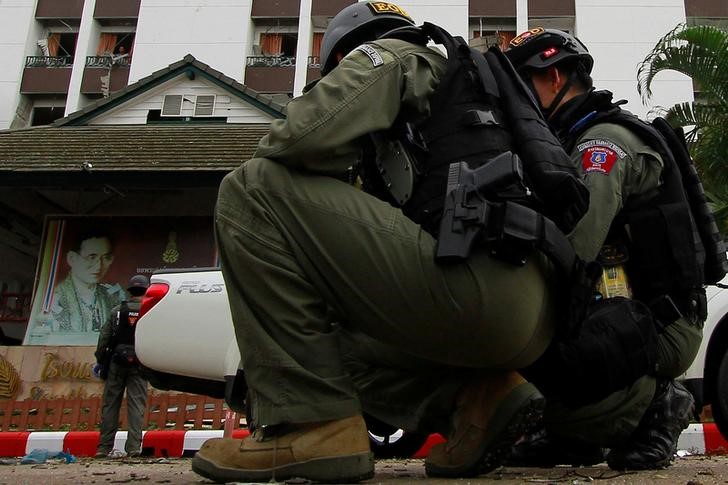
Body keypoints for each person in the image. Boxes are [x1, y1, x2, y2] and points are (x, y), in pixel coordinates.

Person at [191, 2, 594, 483]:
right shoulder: (465, 93)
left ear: (343, 60)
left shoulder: (398, 55)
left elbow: (293, 141)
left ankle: (311, 424)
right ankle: (479, 401)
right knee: (330, 336)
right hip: (535, 311)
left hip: (483, 289)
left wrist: (327, 104)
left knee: (249, 190)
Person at [504, 28, 702, 470]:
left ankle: (659, 405)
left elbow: (576, 247)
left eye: (521, 88)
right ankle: (572, 436)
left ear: (553, 78)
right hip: (623, 313)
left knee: (517, 328)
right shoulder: (567, 142)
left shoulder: (601, 144)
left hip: (659, 323)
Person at [33, 231, 126, 345]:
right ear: (72, 258)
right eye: (92, 257)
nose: (99, 266)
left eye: (106, 257)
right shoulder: (55, 298)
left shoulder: (114, 296)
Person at [94, 274, 150, 459]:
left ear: (130, 291)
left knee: (110, 405)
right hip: (140, 363)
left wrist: (101, 360)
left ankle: (104, 448)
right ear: (146, 290)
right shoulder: (149, 312)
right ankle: (134, 448)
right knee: (136, 405)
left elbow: (104, 338)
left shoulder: (117, 311)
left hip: (116, 363)